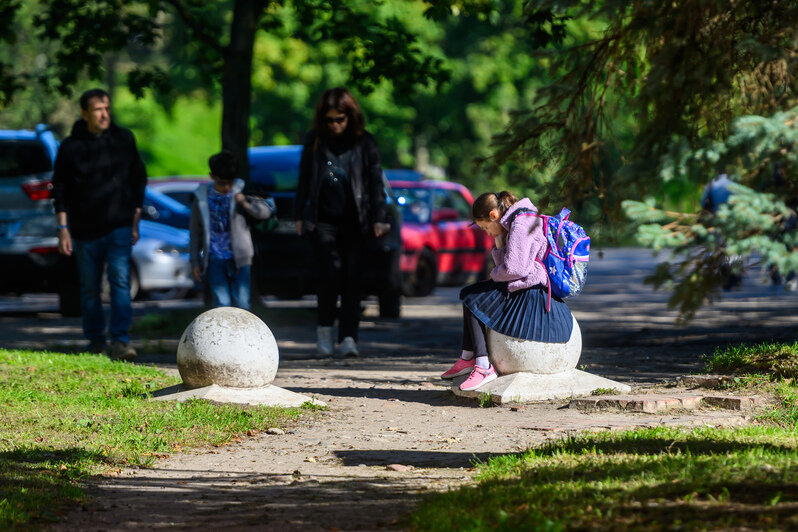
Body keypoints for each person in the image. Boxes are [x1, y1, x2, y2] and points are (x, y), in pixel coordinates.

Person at [441, 191, 574, 391]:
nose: (488, 233)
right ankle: (468, 358)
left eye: (486, 227)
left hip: (531, 289)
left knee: (473, 299)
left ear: (493, 215)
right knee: (470, 294)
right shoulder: (513, 222)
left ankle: (483, 366)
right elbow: (512, 266)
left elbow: (515, 269)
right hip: (523, 283)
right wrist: (499, 244)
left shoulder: (521, 223)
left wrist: (494, 273)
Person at [294, 87, 390, 357]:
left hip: (357, 221)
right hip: (323, 221)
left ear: (350, 116)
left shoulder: (365, 142)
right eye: (329, 120)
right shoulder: (315, 140)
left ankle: (349, 338)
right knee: (329, 275)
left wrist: (381, 217)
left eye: (340, 119)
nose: (335, 125)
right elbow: (304, 178)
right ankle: (324, 333)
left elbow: (375, 181)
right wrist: (299, 214)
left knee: (352, 279)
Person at [53, 88, 147, 360]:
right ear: (85, 114)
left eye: (107, 108)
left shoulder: (123, 139)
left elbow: (138, 179)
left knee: (120, 283)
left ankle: (120, 340)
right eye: (98, 109)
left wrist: (135, 220)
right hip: (84, 231)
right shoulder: (70, 147)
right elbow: (59, 190)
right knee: (90, 289)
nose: (104, 114)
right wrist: (63, 229)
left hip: (119, 226)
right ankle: (95, 341)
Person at [189, 150, 275, 310]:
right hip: (213, 257)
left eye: (230, 182)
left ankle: (244, 328)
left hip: (240, 257)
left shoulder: (243, 189)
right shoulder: (201, 196)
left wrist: (245, 203)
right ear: (212, 176)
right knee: (221, 304)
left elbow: (265, 213)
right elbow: (195, 232)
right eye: (222, 183)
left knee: (242, 303)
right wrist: (195, 262)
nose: (227, 187)